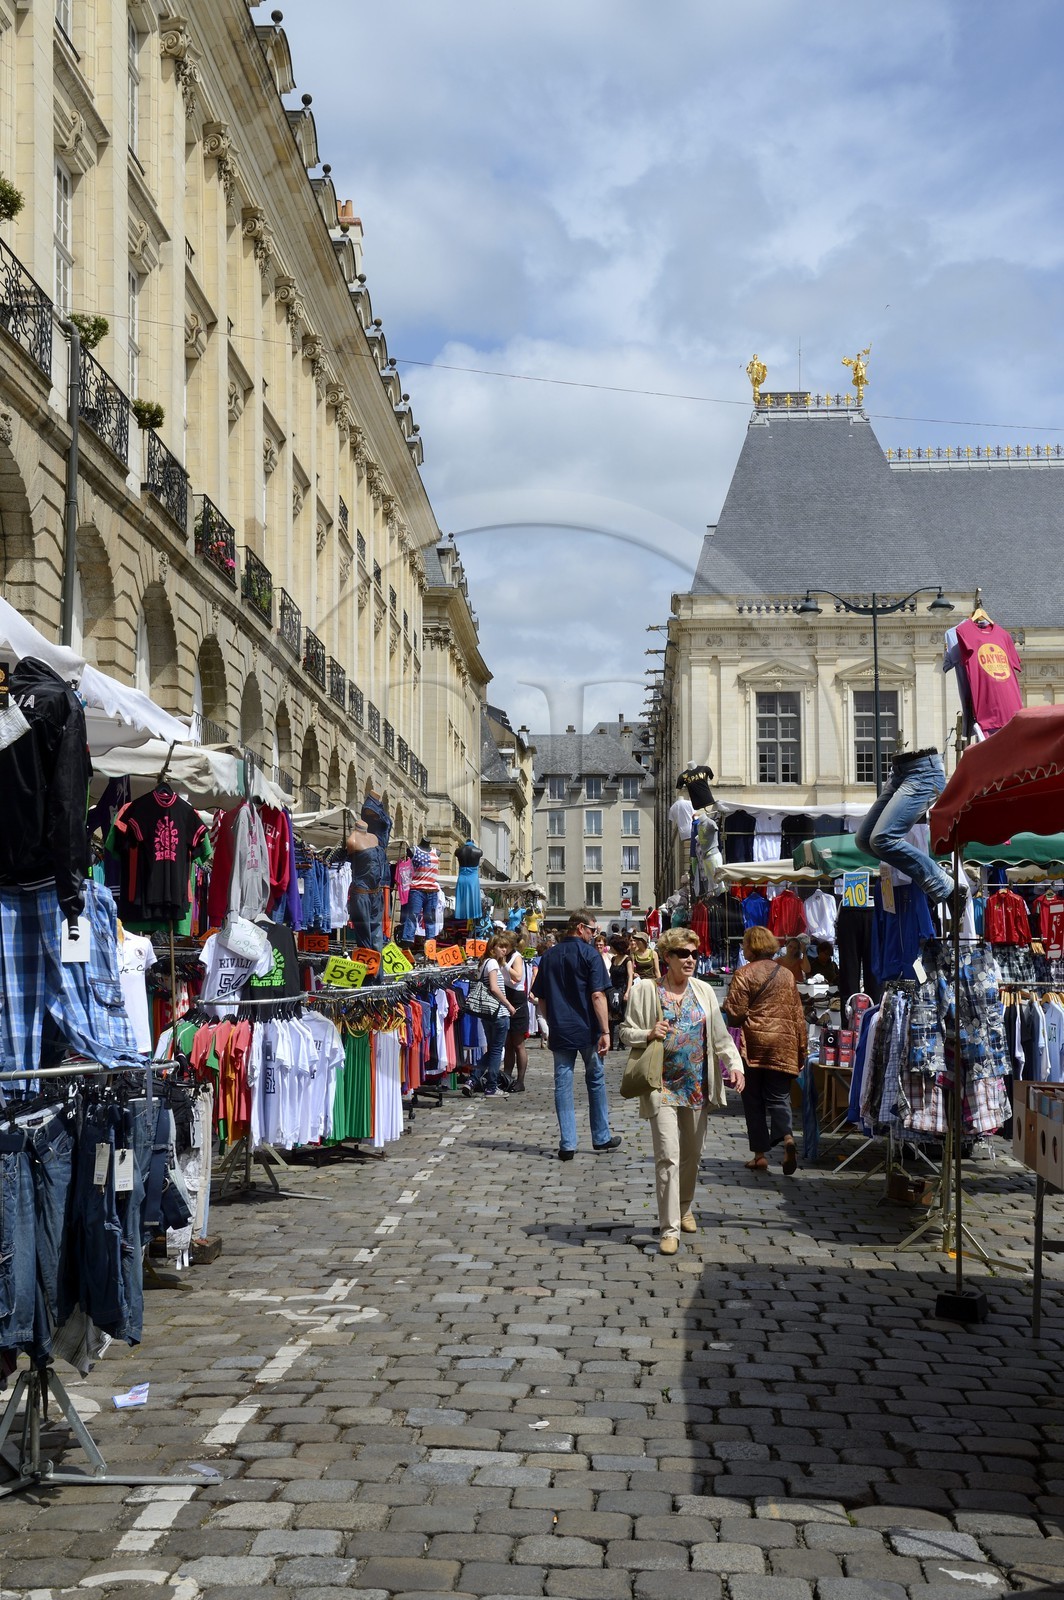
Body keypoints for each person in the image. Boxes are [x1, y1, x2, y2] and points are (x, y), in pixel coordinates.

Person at [620, 927, 744, 1255]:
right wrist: (648, 1033)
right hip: (660, 1086)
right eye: (683, 954)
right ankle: (669, 1228)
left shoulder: (703, 991)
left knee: (692, 1155)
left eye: (694, 954)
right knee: (667, 1157)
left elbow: (719, 1035)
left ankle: (685, 1205)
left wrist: (734, 1064)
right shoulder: (646, 990)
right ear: (667, 957)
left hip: (697, 1085)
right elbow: (624, 1032)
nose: (690, 960)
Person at [530, 910, 620, 1160]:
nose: (594, 936)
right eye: (593, 930)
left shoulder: (548, 956)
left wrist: (551, 1022)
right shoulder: (590, 954)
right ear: (580, 928)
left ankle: (568, 1143)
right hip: (588, 1028)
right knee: (596, 1080)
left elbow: (541, 998)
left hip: (561, 1028)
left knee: (563, 1084)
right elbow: (598, 995)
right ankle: (601, 1137)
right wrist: (605, 1030)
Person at [725, 926, 808, 1175]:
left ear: (752, 946)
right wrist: (801, 1048)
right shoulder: (785, 974)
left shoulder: (744, 973)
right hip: (783, 1043)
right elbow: (797, 1013)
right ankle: (788, 1140)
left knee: (753, 1099)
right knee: (779, 1096)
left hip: (754, 1043)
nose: (742, 948)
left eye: (744, 944)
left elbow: (735, 1014)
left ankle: (760, 1155)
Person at [464, 933, 516, 1097]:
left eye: (506, 947)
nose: (504, 950)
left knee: (492, 1049)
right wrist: (508, 1005)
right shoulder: (492, 963)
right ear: (492, 948)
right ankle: (491, 1086)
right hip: (498, 1012)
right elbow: (494, 988)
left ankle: (472, 1080)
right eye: (501, 947)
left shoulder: (484, 963)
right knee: (495, 1051)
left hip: (487, 1014)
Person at [501, 932, 531, 1092]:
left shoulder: (516, 957)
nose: (502, 948)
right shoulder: (505, 957)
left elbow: (518, 977)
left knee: (518, 1043)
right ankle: (507, 1076)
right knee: (508, 1043)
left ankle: (520, 1080)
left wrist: (504, 964)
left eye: (504, 945)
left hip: (517, 1000)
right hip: (506, 998)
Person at [607, 934, 635, 1052]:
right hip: (613, 990)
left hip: (623, 989)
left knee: (623, 1016)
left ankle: (621, 1042)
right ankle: (610, 1042)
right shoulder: (613, 959)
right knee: (611, 1016)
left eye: (612, 946)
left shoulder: (627, 959)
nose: (610, 948)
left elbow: (630, 976)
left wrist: (628, 991)